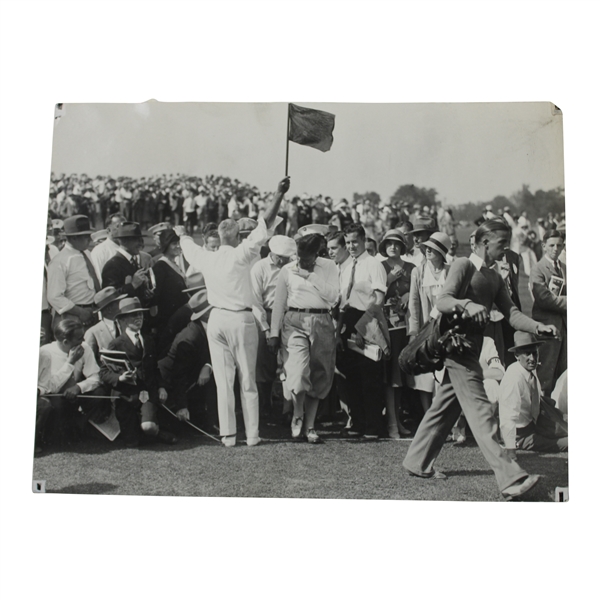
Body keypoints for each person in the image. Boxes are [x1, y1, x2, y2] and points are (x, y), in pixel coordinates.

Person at [402, 219, 558, 500]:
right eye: (501, 244)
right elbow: (443, 300)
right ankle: (510, 478)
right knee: (481, 412)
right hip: (457, 349)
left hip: (473, 348)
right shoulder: (463, 265)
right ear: (485, 242)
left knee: (445, 407)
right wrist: (467, 304)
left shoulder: (495, 276)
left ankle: (417, 460)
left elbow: (511, 313)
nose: (505, 249)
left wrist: (537, 327)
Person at [177, 177, 290, 447]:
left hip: (216, 319)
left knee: (224, 380)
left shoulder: (207, 256)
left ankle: (228, 435)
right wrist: (278, 193)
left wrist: (181, 232)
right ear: (237, 236)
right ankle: (251, 434)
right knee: (247, 379)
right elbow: (265, 222)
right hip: (240, 318)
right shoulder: (242, 253)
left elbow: (186, 243)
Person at [269, 234, 339, 443]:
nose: (302, 262)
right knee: (297, 373)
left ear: (317, 254)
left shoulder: (328, 267)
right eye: (300, 257)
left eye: (308, 258)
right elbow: (279, 303)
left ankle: (310, 425)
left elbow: (334, 297)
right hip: (294, 321)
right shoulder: (287, 269)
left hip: (322, 320)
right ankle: (297, 415)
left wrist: (310, 276)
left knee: (320, 373)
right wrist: (274, 332)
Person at [100, 297, 177, 447]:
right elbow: (103, 373)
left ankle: (156, 431)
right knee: (132, 443)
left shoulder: (148, 340)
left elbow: (154, 368)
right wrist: (120, 378)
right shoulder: (116, 344)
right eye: (133, 315)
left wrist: (161, 386)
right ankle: (140, 429)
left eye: (140, 315)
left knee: (148, 427)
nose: (138, 318)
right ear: (122, 320)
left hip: (147, 393)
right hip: (126, 396)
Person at [336, 223, 388, 439]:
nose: (351, 246)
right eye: (347, 242)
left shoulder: (373, 264)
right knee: (352, 377)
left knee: (370, 377)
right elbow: (343, 302)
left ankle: (373, 426)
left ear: (363, 240)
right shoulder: (347, 266)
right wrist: (339, 331)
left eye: (354, 242)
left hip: (367, 320)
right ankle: (358, 423)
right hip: (349, 321)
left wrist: (361, 329)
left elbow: (378, 300)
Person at [36, 317, 111, 454]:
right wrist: (70, 362)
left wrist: (79, 387)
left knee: (99, 394)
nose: (83, 341)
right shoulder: (46, 352)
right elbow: (50, 387)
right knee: (56, 406)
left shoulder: (84, 347)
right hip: (54, 394)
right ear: (65, 342)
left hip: (75, 391)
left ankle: (78, 428)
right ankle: (54, 434)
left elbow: (95, 376)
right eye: (79, 338)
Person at [499, 332, 567, 456]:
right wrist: (510, 449)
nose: (532, 358)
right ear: (516, 355)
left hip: (538, 421)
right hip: (522, 434)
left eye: (534, 353)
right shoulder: (514, 378)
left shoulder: (529, 367)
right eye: (527, 354)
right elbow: (508, 416)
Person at [251, 234, 297, 420]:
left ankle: (289, 408)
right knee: (264, 362)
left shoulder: (291, 266)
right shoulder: (259, 268)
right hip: (266, 315)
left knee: (291, 361)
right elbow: (255, 302)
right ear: (272, 253)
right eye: (281, 258)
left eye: (287, 258)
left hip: (288, 315)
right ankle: (265, 405)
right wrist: (267, 330)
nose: (283, 261)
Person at [407, 231, 452, 414]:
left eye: (432, 249)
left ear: (441, 253)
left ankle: (446, 417)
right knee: (425, 377)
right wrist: (413, 333)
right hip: (426, 330)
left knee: (444, 374)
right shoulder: (418, 272)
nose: (427, 251)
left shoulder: (450, 272)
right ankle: (429, 416)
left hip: (446, 329)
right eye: (426, 248)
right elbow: (414, 304)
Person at [158, 307, 218, 432]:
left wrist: (208, 366)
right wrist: (182, 406)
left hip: (190, 375)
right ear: (206, 313)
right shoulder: (190, 338)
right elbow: (179, 375)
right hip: (167, 381)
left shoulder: (206, 327)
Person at [379, 229, 414, 439]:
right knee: (389, 375)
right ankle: (391, 421)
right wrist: (389, 279)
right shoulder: (380, 267)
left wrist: (410, 293)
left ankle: (398, 418)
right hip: (385, 326)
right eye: (389, 243)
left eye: (397, 243)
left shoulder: (411, 267)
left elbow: (418, 291)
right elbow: (373, 293)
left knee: (400, 375)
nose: (393, 246)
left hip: (406, 326)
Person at [47, 214, 102, 330]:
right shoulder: (60, 261)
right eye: (85, 236)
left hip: (92, 311)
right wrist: (80, 312)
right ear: (73, 238)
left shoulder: (86, 253)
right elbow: (54, 296)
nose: (90, 239)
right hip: (73, 315)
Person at [529, 230, 567, 396]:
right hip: (547, 328)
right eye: (551, 245)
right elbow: (544, 298)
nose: (555, 249)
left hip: (564, 328)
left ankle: (560, 415)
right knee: (545, 374)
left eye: (559, 245)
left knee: (564, 372)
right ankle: (543, 415)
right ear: (544, 246)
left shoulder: (565, 268)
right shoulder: (537, 269)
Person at [101, 221, 154, 306]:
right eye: (136, 240)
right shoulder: (112, 265)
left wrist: (145, 293)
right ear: (125, 241)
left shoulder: (133, 261)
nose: (141, 244)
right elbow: (109, 297)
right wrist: (133, 285)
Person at [152, 228, 189, 333]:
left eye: (178, 243)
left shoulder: (175, 264)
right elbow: (156, 298)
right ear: (166, 245)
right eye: (174, 243)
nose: (178, 246)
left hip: (180, 318)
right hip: (168, 321)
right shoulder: (160, 267)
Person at [84, 287, 126, 363]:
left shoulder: (126, 325)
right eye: (118, 303)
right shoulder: (93, 333)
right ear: (109, 309)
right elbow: (89, 362)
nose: (122, 305)